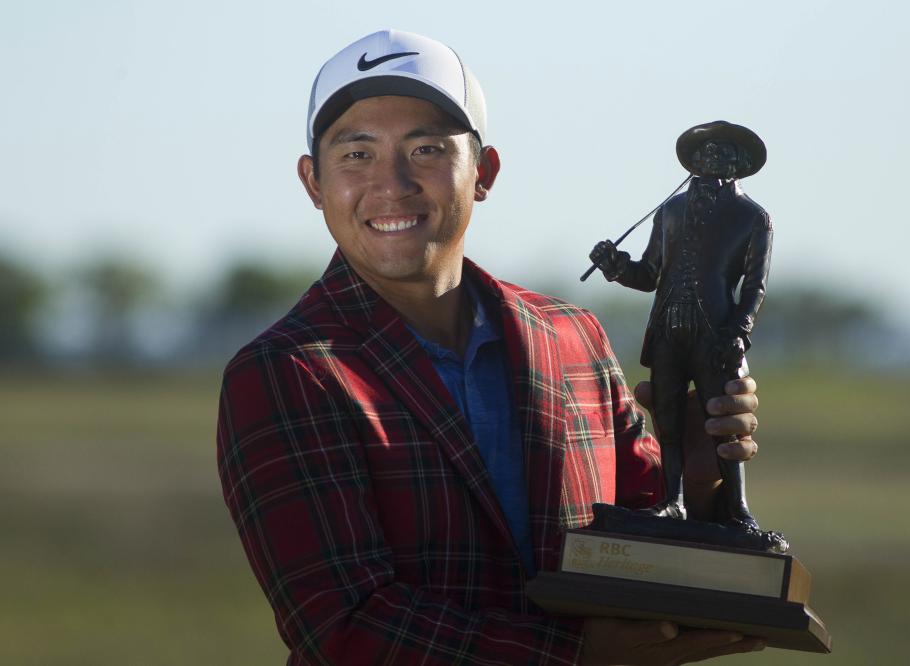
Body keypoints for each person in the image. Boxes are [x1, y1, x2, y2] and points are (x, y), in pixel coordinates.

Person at [217, 30, 764, 665]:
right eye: (356, 155)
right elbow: (345, 625)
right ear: (313, 182)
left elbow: (639, 544)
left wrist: (698, 474)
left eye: (425, 149)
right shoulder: (286, 373)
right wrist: (575, 658)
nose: (391, 183)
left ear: (484, 172)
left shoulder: (575, 338)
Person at [589, 122, 771, 533]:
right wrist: (615, 266)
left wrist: (739, 329)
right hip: (669, 330)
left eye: (723, 153)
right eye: (705, 152)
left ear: (739, 164)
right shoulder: (670, 211)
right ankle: (673, 501)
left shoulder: (752, 217)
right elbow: (650, 273)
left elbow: (755, 285)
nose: (712, 159)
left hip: (716, 335)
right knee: (668, 418)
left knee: (721, 421)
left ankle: (738, 508)